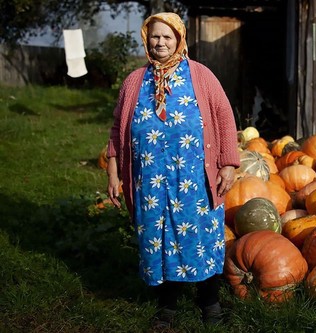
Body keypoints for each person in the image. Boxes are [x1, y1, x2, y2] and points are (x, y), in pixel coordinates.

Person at [106, 12, 240, 329]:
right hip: (150, 183)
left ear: (179, 39)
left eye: (167, 36)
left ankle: (209, 302)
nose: (160, 42)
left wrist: (228, 162)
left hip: (194, 180)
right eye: (155, 36)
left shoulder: (201, 76)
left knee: (201, 238)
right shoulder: (134, 81)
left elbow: (224, 117)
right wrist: (113, 170)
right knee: (158, 238)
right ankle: (166, 306)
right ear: (146, 39)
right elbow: (117, 129)